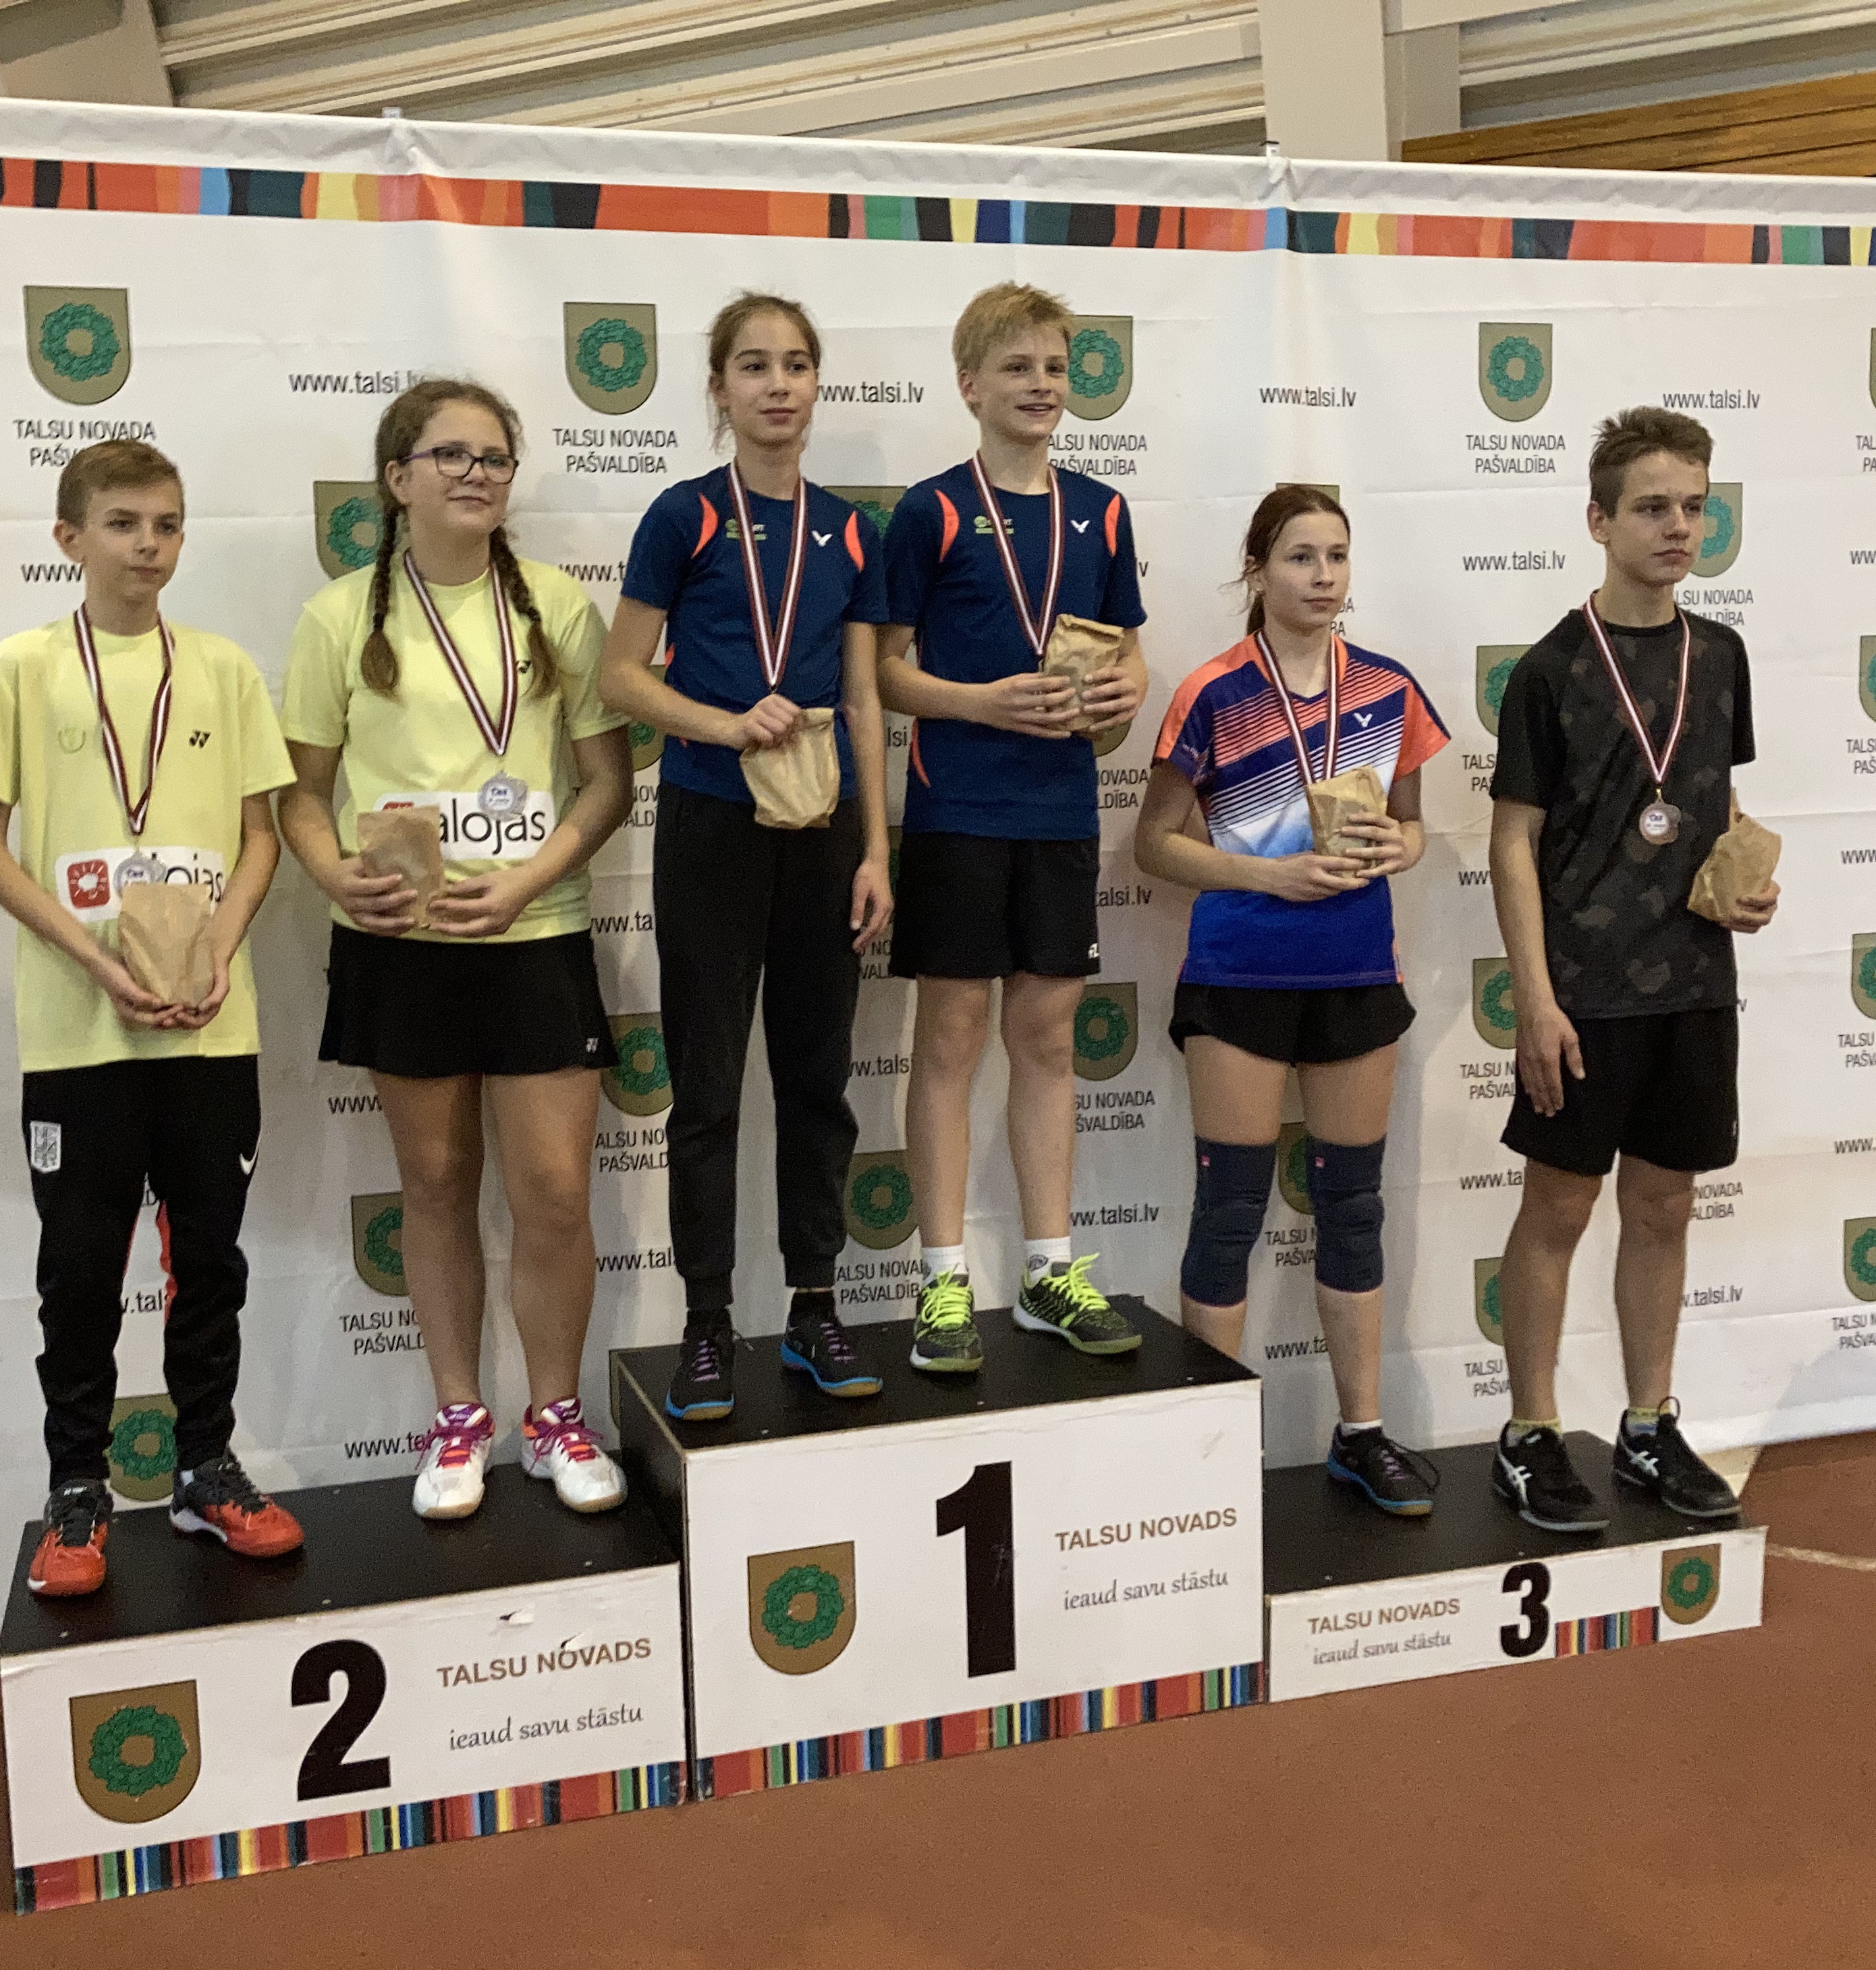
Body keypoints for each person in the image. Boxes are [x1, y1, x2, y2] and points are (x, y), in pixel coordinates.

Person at [0, 437, 305, 1599]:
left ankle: (206, 1469)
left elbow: (261, 838)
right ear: (70, 538)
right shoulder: (21, 668)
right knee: (80, 1273)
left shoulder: (224, 670)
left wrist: (218, 948)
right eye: (122, 524)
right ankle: (77, 1491)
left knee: (209, 1263)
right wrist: (97, 962)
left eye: (167, 524)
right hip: (79, 1035)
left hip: (209, 1026)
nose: (148, 546)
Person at [277, 379, 634, 1521]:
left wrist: (527, 881)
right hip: (402, 942)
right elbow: (300, 794)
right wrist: (337, 877)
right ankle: (458, 1416)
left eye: (494, 458)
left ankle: (555, 1415)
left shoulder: (559, 607)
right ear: (398, 479)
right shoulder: (339, 617)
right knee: (433, 1185)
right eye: (450, 455)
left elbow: (609, 783)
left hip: (536, 930)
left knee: (554, 1192)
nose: (476, 474)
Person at [1485, 406, 1780, 1533]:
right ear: (1599, 521)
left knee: (1665, 1206)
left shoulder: (1724, 655)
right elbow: (1513, 841)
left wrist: (1743, 881)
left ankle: (1649, 1425)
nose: (1678, 527)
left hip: (1694, 983)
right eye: (1653, 508)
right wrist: (1535, 997)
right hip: (1584, 991)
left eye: (1695, 507)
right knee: (1559, 1207)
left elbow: (1710, 800)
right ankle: (1530, 1432)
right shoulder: (1551, 669)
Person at [602, 292, 894, 1421]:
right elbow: (622, 677)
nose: (779, 385)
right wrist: (726, 725)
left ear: (818, 385)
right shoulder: (682, 516)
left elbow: (863, 696)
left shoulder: (853, 530)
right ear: (719, 389)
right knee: (709, 1088)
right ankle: (708, 1323)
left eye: (797, 364)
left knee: (817, 1080)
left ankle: (816, 1307)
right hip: (712, 823)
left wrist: (877, 850)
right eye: (755, 366)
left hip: (824, 828)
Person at [1136, 487, 1447, 1514]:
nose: (1323, 576)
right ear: (1258, 570)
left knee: (1352, 1210)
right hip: (1240, 976)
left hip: (1356, 975)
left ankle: (1361, 1434)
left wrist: (1396, 846)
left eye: (1337, 556)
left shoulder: (1388, 687)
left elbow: (1412, 828)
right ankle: (1210, 1454)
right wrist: (1269, 875)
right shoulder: (1215, 691)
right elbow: (1153, 845)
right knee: (1231, 1212)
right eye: (1301, 557)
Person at [876, 282, 1149, 1373]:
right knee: (948, 1042)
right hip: (957, 809)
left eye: (1056, 368)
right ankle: (942, 1280)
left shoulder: (1104, 510)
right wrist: (983, 702)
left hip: (1060, 810)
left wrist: (1127, 688)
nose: (1042, 385)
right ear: (970, 385)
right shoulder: (931, 511)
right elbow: (885, 673)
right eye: (1019, 367)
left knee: (1047, 1041)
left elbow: (1129, 652)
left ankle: (1048, 1269)